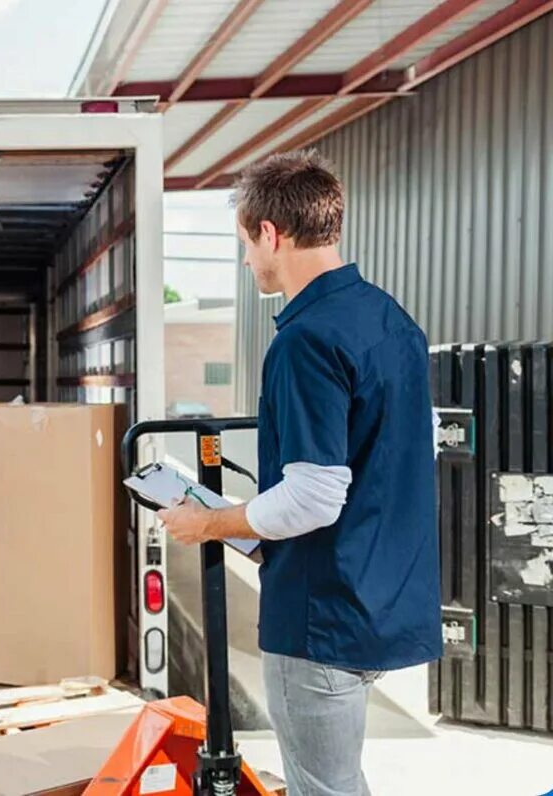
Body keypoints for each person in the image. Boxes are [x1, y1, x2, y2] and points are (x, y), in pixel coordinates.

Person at [158, 151, 441, 796]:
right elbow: (392, 460)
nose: (247, 263)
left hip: (322, 617)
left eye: (245, 246)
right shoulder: (392, 320)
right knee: (338, 782)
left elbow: (314, 495)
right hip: (382, 598)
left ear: (270, 233)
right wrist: (256, 533)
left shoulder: (305, 340)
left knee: (325, 788)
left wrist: (209, 522)